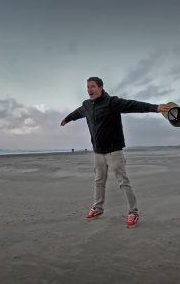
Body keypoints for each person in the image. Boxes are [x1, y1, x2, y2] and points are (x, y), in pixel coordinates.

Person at [60, 77, 171, 228]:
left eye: (92, 86)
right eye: (87, 87)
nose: (89, 90)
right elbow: (77, 113)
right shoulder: (86, 105)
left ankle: (133, 212)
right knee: (99, 181)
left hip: (114, 152)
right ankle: (98, 208)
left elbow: (133, 105)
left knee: (123, 182)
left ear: (100, 88)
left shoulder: (112, 102)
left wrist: (155, 107)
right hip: (98, 153)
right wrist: (67, 119)